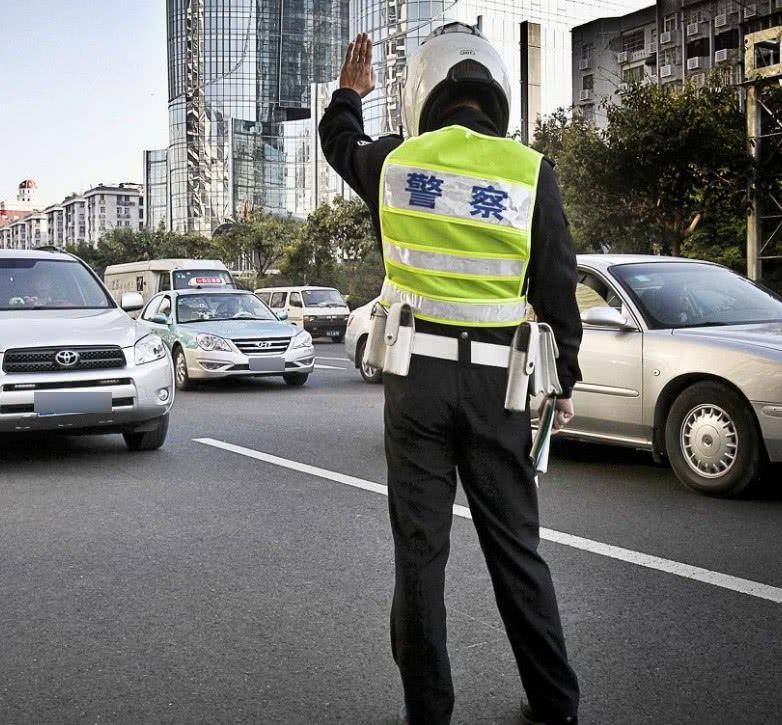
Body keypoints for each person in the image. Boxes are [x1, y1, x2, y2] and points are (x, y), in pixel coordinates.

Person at [320, 26, 583, 725]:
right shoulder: (531, 172)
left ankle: (428, 712)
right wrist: (564, 382)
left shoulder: (396, 164)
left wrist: (351, 93)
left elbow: (336, 141)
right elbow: (559, 292)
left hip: (417, 386)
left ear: (424, 96)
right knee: (517, 550)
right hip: (500, 388)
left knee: (420, 554)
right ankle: (556, 703)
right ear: (493, 96)